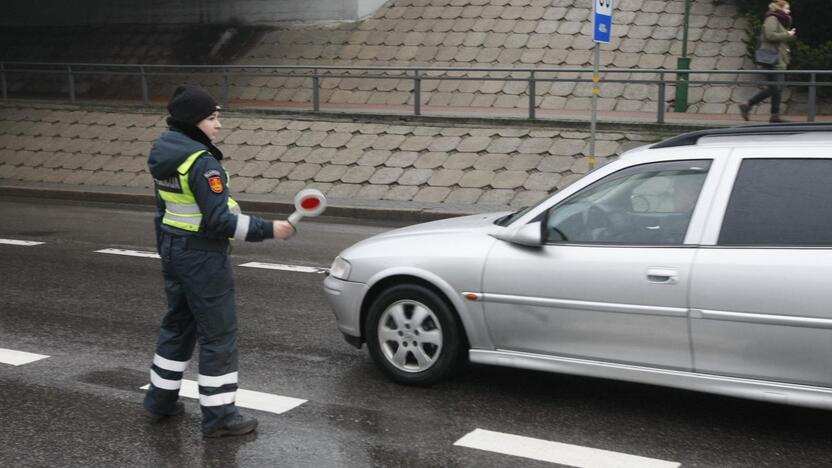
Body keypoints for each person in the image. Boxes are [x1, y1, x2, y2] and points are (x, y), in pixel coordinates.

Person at [143, 85, 295, 437]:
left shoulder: (164, 151)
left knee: (178, 325)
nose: (218, 125)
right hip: (202, 256)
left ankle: (159, 402)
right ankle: (220, 416)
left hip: (174, 250)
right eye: (212, 118)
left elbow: (164, 210)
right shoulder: (201, 162)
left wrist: (166, 251)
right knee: (218, 335)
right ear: (194, 122)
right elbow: (219, 221)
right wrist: (270, 229)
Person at [739, 0, 797, 123]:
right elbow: (770, 35)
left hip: (779, 59)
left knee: (778, 87)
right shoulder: (772, 18)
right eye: (787, 8)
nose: (789, 11)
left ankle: (774, 116)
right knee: (775, 87)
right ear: (779, 8)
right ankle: (748, 104)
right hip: (772, 60)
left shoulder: (780, 20)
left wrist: (787, 35)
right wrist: (787, 34)